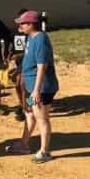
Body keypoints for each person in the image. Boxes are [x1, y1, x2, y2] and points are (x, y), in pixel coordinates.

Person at [5, 11, 59, 163]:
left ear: (30, 24)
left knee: (42, 118)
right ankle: (23, 144)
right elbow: (29, 58)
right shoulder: (31, 37)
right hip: (31, 88)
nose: (19, 25)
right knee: (28, 112)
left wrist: (36, 90)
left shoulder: (40, 39)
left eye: (22, 23)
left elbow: (42, 65)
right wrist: (19, 69)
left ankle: (44, 151)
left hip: (41, 89)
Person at [8, 8, 28, 122]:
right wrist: (10, 54)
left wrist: (18, 56)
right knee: (18, 86)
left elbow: (29, 52)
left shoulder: (31, 34)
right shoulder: (14, 32)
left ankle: (27, 109)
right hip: (19, 64)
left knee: (24, 87)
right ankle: (23, 105)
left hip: (28, 65)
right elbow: (13, 46)